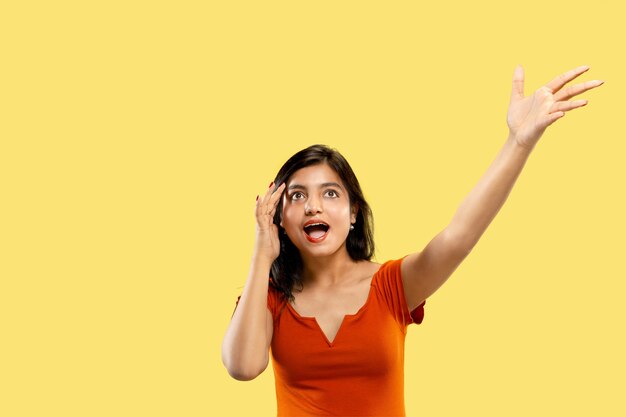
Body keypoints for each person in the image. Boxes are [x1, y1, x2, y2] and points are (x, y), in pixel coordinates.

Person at [221, 65, 603, 416]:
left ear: (354, 212)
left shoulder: (391, 286)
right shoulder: (268, 298)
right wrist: (262, 253)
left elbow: (459, 234)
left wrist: (518, 143)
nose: (313, 207)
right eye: (298, 195)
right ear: (279, 215)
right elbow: (242, 366)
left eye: (331, 193)